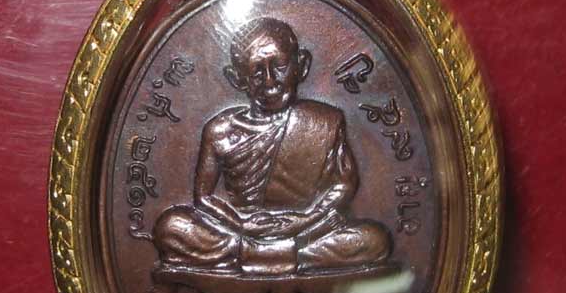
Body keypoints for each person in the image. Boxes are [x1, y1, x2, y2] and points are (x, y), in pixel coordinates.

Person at [153, 17, 392, 277]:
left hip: (307, 230)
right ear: (236, 78)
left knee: (375, 239)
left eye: (279, 66)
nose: (269, 81)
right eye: (256, 71)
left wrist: (307, 218)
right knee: (171, 228)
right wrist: (241, 223)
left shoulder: (325, 121)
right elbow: (204, 197)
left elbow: (344, 184)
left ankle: (256, 255)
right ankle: (283, 255)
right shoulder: (220, 130)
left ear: (301, 66)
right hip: (239, 231)